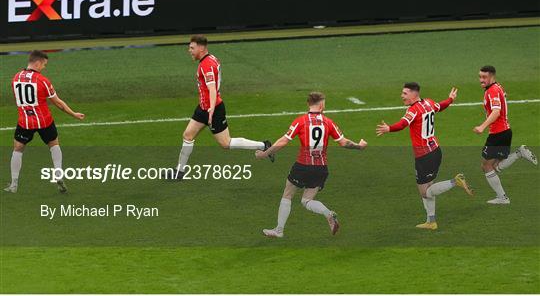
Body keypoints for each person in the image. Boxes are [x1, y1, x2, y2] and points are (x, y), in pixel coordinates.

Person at [255, 92, 367, 238]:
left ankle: (279, 230)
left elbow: (283, 141)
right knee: (307, 200)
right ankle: (328, 213)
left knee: (288, 194)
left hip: (303, 165)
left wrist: (265, 153)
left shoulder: (300, 121)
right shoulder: (329, 122)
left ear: (308, 104)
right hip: (321, 168)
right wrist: (359, 146)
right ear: (321, 105)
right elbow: (343, 142)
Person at [169, 35, 273, 180]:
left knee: (226, 143)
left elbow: (212, 89)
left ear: (201, 47)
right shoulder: (211, 58)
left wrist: (211, 110)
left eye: (192, 48)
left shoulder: (206, 65)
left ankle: (263, 145)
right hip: (203, 107)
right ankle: (179, 172)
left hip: (213, 108)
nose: (189, 51)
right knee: (188, 135)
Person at [376, 82, 472, 230]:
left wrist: (389, 128)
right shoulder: (429, 102)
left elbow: (403, 124)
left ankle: (455, 181)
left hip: (424, 156)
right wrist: (451, 99)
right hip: (436, 151)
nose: (402, 96)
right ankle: (431, 221)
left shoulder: (413, 110)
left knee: (424, 192)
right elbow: (441, 105)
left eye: (405, 93)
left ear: (414, 94)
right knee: (429, 186)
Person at [5, 50, 85, 194]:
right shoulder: (42, 81)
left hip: (25, 122)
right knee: (54, 144)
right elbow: (58, 103)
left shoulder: (15, 78)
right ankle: (59, 174)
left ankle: (14, 184)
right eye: (44, 64)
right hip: (44, 121)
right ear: (38, 62)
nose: (44, 67)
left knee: (18, 149)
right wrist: (74, 114)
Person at [473, 65, 537, 204]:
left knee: (486, 166)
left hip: (498, 133)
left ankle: (502, 198)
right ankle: (519, 153)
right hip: (504, 132)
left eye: (484, 77)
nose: (481, 80)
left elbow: (496, 112)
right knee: (494, 166)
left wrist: (482, 127)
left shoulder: (492, 90)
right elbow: (503, 95)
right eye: (480, 76)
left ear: (491, 77)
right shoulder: (496, 87)